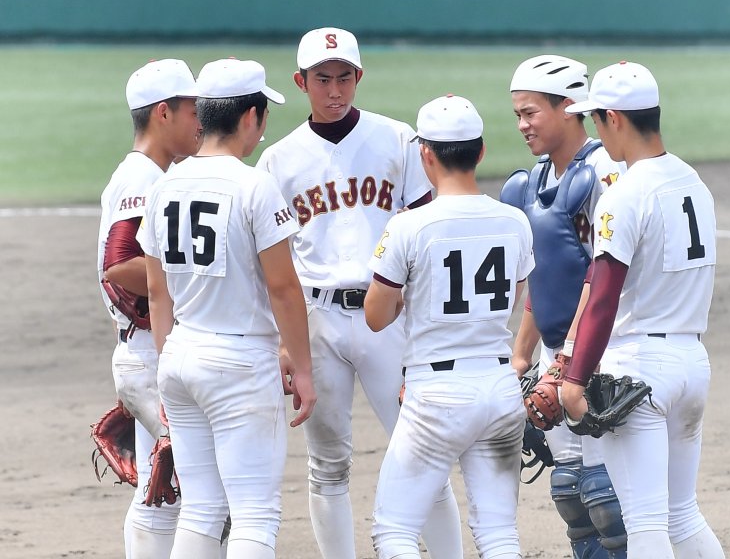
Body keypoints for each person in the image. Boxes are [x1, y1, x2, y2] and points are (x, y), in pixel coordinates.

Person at [255, 27, 463, 559]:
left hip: (388, 314)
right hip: (317, 319)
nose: (335, 89)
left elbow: (426, 230)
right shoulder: (278, 161)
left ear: (359, 77)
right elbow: (270, 264)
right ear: (300, 82)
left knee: (423, 450)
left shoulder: (398, 140)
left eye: (344, 77)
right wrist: (285, 340)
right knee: (327, 461)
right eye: (322, 79)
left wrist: (426, 321)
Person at [137, 57, 316, 559]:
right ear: (249, 118)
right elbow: (284, 289)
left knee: (201, 508)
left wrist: (165, 366)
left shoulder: (164, 185)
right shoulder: (254, 185)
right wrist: (303, 370)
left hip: (179, 355)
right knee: (255, 513)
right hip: (238, 363)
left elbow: (157, 293)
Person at [560, 61, 725, 559]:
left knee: (646, 523)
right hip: (692, 362)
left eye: (594, 120)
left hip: (640, 370)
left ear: (615, 117)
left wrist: (573, 378)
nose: (593, 131)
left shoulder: (625, 194)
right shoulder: (693, 182)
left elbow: (604, 295)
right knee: (683, 514)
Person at [365, 94, 534, 559]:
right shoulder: (514, 221)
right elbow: (513, 299)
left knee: (394, 531)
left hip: (436, 394)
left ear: (425, 154)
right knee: (499, 535)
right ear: (480, 151)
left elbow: (375, 317)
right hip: (500, 386)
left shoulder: (409, 226)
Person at [503, 55, 627, 558]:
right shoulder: (532, 182)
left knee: (605, 498)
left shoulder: (603, 172)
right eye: (517, 113)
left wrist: (565, 362)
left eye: (530, 112)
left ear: (570, 106)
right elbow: (547, 277)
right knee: (570, 493)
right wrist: (520, 356)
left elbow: (600, 279)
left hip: (600, 349)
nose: (521, 125)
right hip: (558, 350)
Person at [97, 58, 201, 559]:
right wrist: (188, 280)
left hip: (145, 351)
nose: (200, 120)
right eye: (192, 109)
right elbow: (117, 266)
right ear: (164, 113)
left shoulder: (152, 172)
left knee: (164, 492)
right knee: (184, 493)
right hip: (149, 352)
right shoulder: (143, 177)